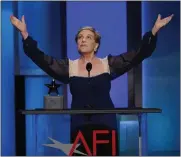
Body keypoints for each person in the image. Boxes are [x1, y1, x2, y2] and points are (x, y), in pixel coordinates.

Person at [10, 13, 173, 156]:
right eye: (80, 37)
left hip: (105, 126)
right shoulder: (70, 67)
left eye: (88, 37)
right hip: (80, 127)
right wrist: (24, 34)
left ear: (96, 45)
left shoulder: (108, 64)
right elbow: (42, 59)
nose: (83, 40)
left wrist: (154, 31)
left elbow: (138, 54)